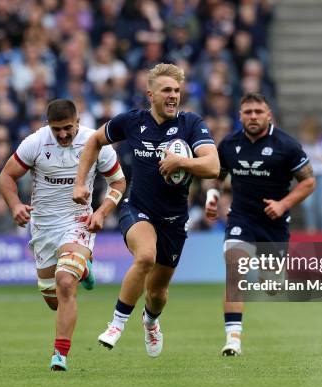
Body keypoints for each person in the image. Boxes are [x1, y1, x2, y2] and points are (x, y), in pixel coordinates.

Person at [73, 63, 219, 358]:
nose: (173, 96)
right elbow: (94, 141)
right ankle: (116, 324)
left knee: (157, 293)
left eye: (177, 90)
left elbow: (212, 166)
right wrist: (80, 182)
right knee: (145, 256)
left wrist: (182, 163)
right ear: (150, 94)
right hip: (137, 208)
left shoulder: (191, 124)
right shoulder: (132, 121)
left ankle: (150, 321)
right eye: (167, 90)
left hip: (175, 219)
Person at [0, 99, 126, 371]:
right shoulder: (35, 143)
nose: (63, 134)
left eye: (68, 128)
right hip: (43, 227)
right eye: (57, 129)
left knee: (65, 282)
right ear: (48, 126)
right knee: (54, 300)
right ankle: (84, 269)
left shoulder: (95, 142)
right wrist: (16, 205)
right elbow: (5, 177)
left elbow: (118, 182)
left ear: (78, 122)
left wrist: (101, 212)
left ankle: (60, 355)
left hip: (77, 222)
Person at [205, 92, 316, 356]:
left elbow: (309, 182)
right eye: (248, 112)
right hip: (241, 218)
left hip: (274, 224)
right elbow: (216, 176)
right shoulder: (229, 145)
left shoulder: (286, 145)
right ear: (240, 115)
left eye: (258, 111)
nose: (253, 116)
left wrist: (283, 204)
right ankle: (233, 339)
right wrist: (212, 196)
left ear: (269, 115)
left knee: (272, 286)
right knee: (235, 268)